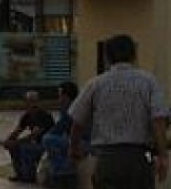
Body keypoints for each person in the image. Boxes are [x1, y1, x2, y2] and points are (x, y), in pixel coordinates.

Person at [69, 34, 168, 189]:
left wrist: (74, 147)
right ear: (134, 55)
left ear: (108, 57)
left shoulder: (95, 84)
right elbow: (158, 120)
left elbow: (77, 121)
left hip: (106, 158)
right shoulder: (149, 82)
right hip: (141, 157)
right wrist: (163, 156)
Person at [3, 90, 55, 183]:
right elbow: (17, 130)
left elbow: (34, 134)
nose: (31, 104)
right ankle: (20, 174)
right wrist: (8, 140)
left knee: (25, 148)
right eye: (29, 101)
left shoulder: (44, 115)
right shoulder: (27, 116)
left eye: (33, 101)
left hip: (46, 145)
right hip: (36, 143)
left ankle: (29, 176)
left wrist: (16, 142)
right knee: (14, 147)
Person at [41, 81, 84, 189]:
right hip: (77, 141)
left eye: (60, 96)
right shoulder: (72, 108)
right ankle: (62, 170)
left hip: (83, 143)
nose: (59, 99)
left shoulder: (72, 109)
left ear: (66, 96)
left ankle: (63, 171)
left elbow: (57, 130)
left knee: (47, 139)